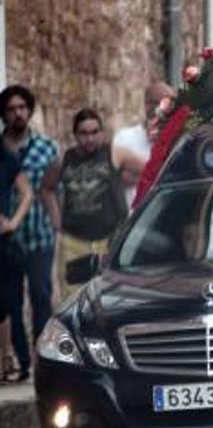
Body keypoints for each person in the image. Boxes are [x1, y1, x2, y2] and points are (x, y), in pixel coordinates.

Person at [41, 108, 145, 300]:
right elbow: (46, 188)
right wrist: (56, 221)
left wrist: (126, 182)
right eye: (84, 133)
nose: (90, 138)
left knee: (114, 295)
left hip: (111, 241)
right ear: (75, 134)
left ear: (102, 133)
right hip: (75, 242)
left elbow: (148, 170)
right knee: (73, 298)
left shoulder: (115, 153)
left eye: (94, 132)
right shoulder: (64, 159)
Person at [1, 84, 59, 383]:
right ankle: (22, 363)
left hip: (39, 237)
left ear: (30, 110)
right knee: (11, 302)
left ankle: (43, 361)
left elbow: (55, 191)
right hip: (8, 242)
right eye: (11, 109)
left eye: (22, 107)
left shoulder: (47, 148)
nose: (17, 113)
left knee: (40, 297)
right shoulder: (0, 150)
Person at [0, 142, 33, 382]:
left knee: (12, 304)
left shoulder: (6, 158)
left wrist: (13, 222)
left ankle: (21, 362)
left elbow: (28, 193)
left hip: (6, 243)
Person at [113, 81, 175, 207]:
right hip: (133, 219)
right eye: (161, 102)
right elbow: (117, 179)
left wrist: (138, 175)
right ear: (147, 105)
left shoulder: (180, 139)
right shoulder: (124, 138)